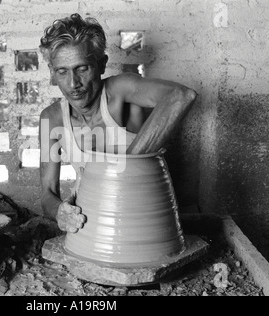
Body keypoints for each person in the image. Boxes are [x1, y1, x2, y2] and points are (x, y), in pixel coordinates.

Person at [38, 13, 197, 234]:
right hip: (90, 228)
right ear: (52, 74)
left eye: (82, 68)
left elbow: (182, 95)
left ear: (101, 65)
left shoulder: (120, 91)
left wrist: (126, 169)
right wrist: (59, 212)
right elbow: (47, 193)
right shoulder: (51, 118)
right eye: (62, 72)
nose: (73, 84)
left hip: (144, 225)